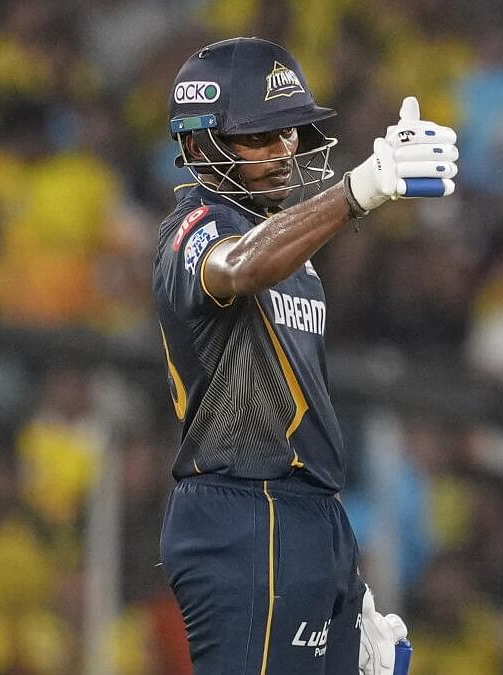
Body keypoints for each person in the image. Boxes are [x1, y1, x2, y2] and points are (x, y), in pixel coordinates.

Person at [153, 36, 458, 674]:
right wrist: (360, 189)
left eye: (289, 133)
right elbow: (236, 266)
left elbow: (300, 408)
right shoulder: (196, 224)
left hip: (303, 513)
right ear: (198, 144)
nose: (284, 151)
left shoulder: (296, 254)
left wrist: (338, 563)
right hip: (244, 511)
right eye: (261, 137)